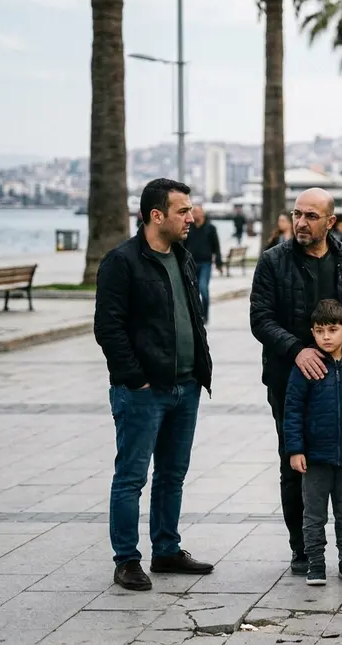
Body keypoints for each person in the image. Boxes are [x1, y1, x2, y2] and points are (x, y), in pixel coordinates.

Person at [94, 178, 215, 591]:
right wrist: (136, 379)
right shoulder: (122, 261)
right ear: (156, 215)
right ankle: (127, 559)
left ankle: (166, 549)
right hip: (143, 392)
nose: (191, 217)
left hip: (186, 387)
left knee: (172, 474)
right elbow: (108, 328)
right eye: (183, 211)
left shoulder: (182, 256)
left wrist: (199, 371)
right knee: (131, 476)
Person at [249, 187, 342, 575]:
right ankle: (303, 548)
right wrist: (297, 351)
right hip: (291, 379)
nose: (301, 222)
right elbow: (260, 317)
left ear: (330, 222)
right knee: (296, 462)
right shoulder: (273, 261)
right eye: (297, 214)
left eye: (311, 216)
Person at [283, 299, 342, 586]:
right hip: (315, 458)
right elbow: (292, 409)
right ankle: (316, 563)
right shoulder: (306, 368)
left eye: (332, 330)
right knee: (314, 515)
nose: (325, 337)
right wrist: (295, 450)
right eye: (320, 331)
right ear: (313, 332)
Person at [185, 204, 223, 324]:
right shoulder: (188, 228)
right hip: (191, 263)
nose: (195, 214)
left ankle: (204, 315)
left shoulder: (210, 228)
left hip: (205, 263)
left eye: (198, 211)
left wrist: (219, 263)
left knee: (203, 288)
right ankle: (196, 315)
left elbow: (216, 246)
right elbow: (183, 245)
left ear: (203, 213)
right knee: (193, 291)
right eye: (193, 212)